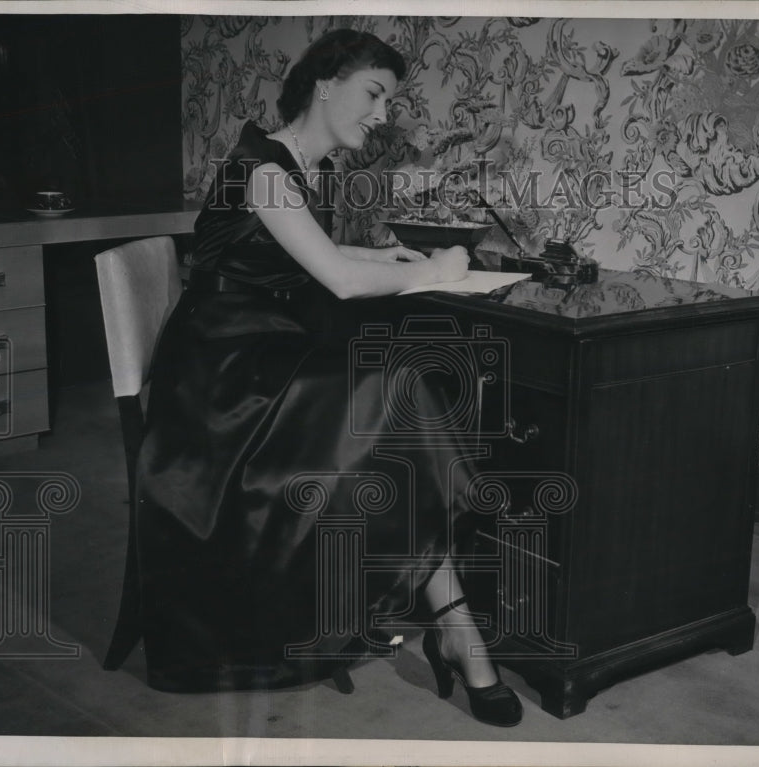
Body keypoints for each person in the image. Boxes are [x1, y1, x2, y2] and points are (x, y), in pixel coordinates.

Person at [133, 29, 523, 727]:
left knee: (398, 390)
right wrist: (431, 271)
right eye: (374, 95)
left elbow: (308, 250)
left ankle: (456, 624)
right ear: (324, 83)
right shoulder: (264, 167)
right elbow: (338, 280)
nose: (381, 116)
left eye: (387, 103)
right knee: (396, 389)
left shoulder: (301, 170)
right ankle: (459, 631)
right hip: (219, 390)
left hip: (262, 362)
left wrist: (388, 256)